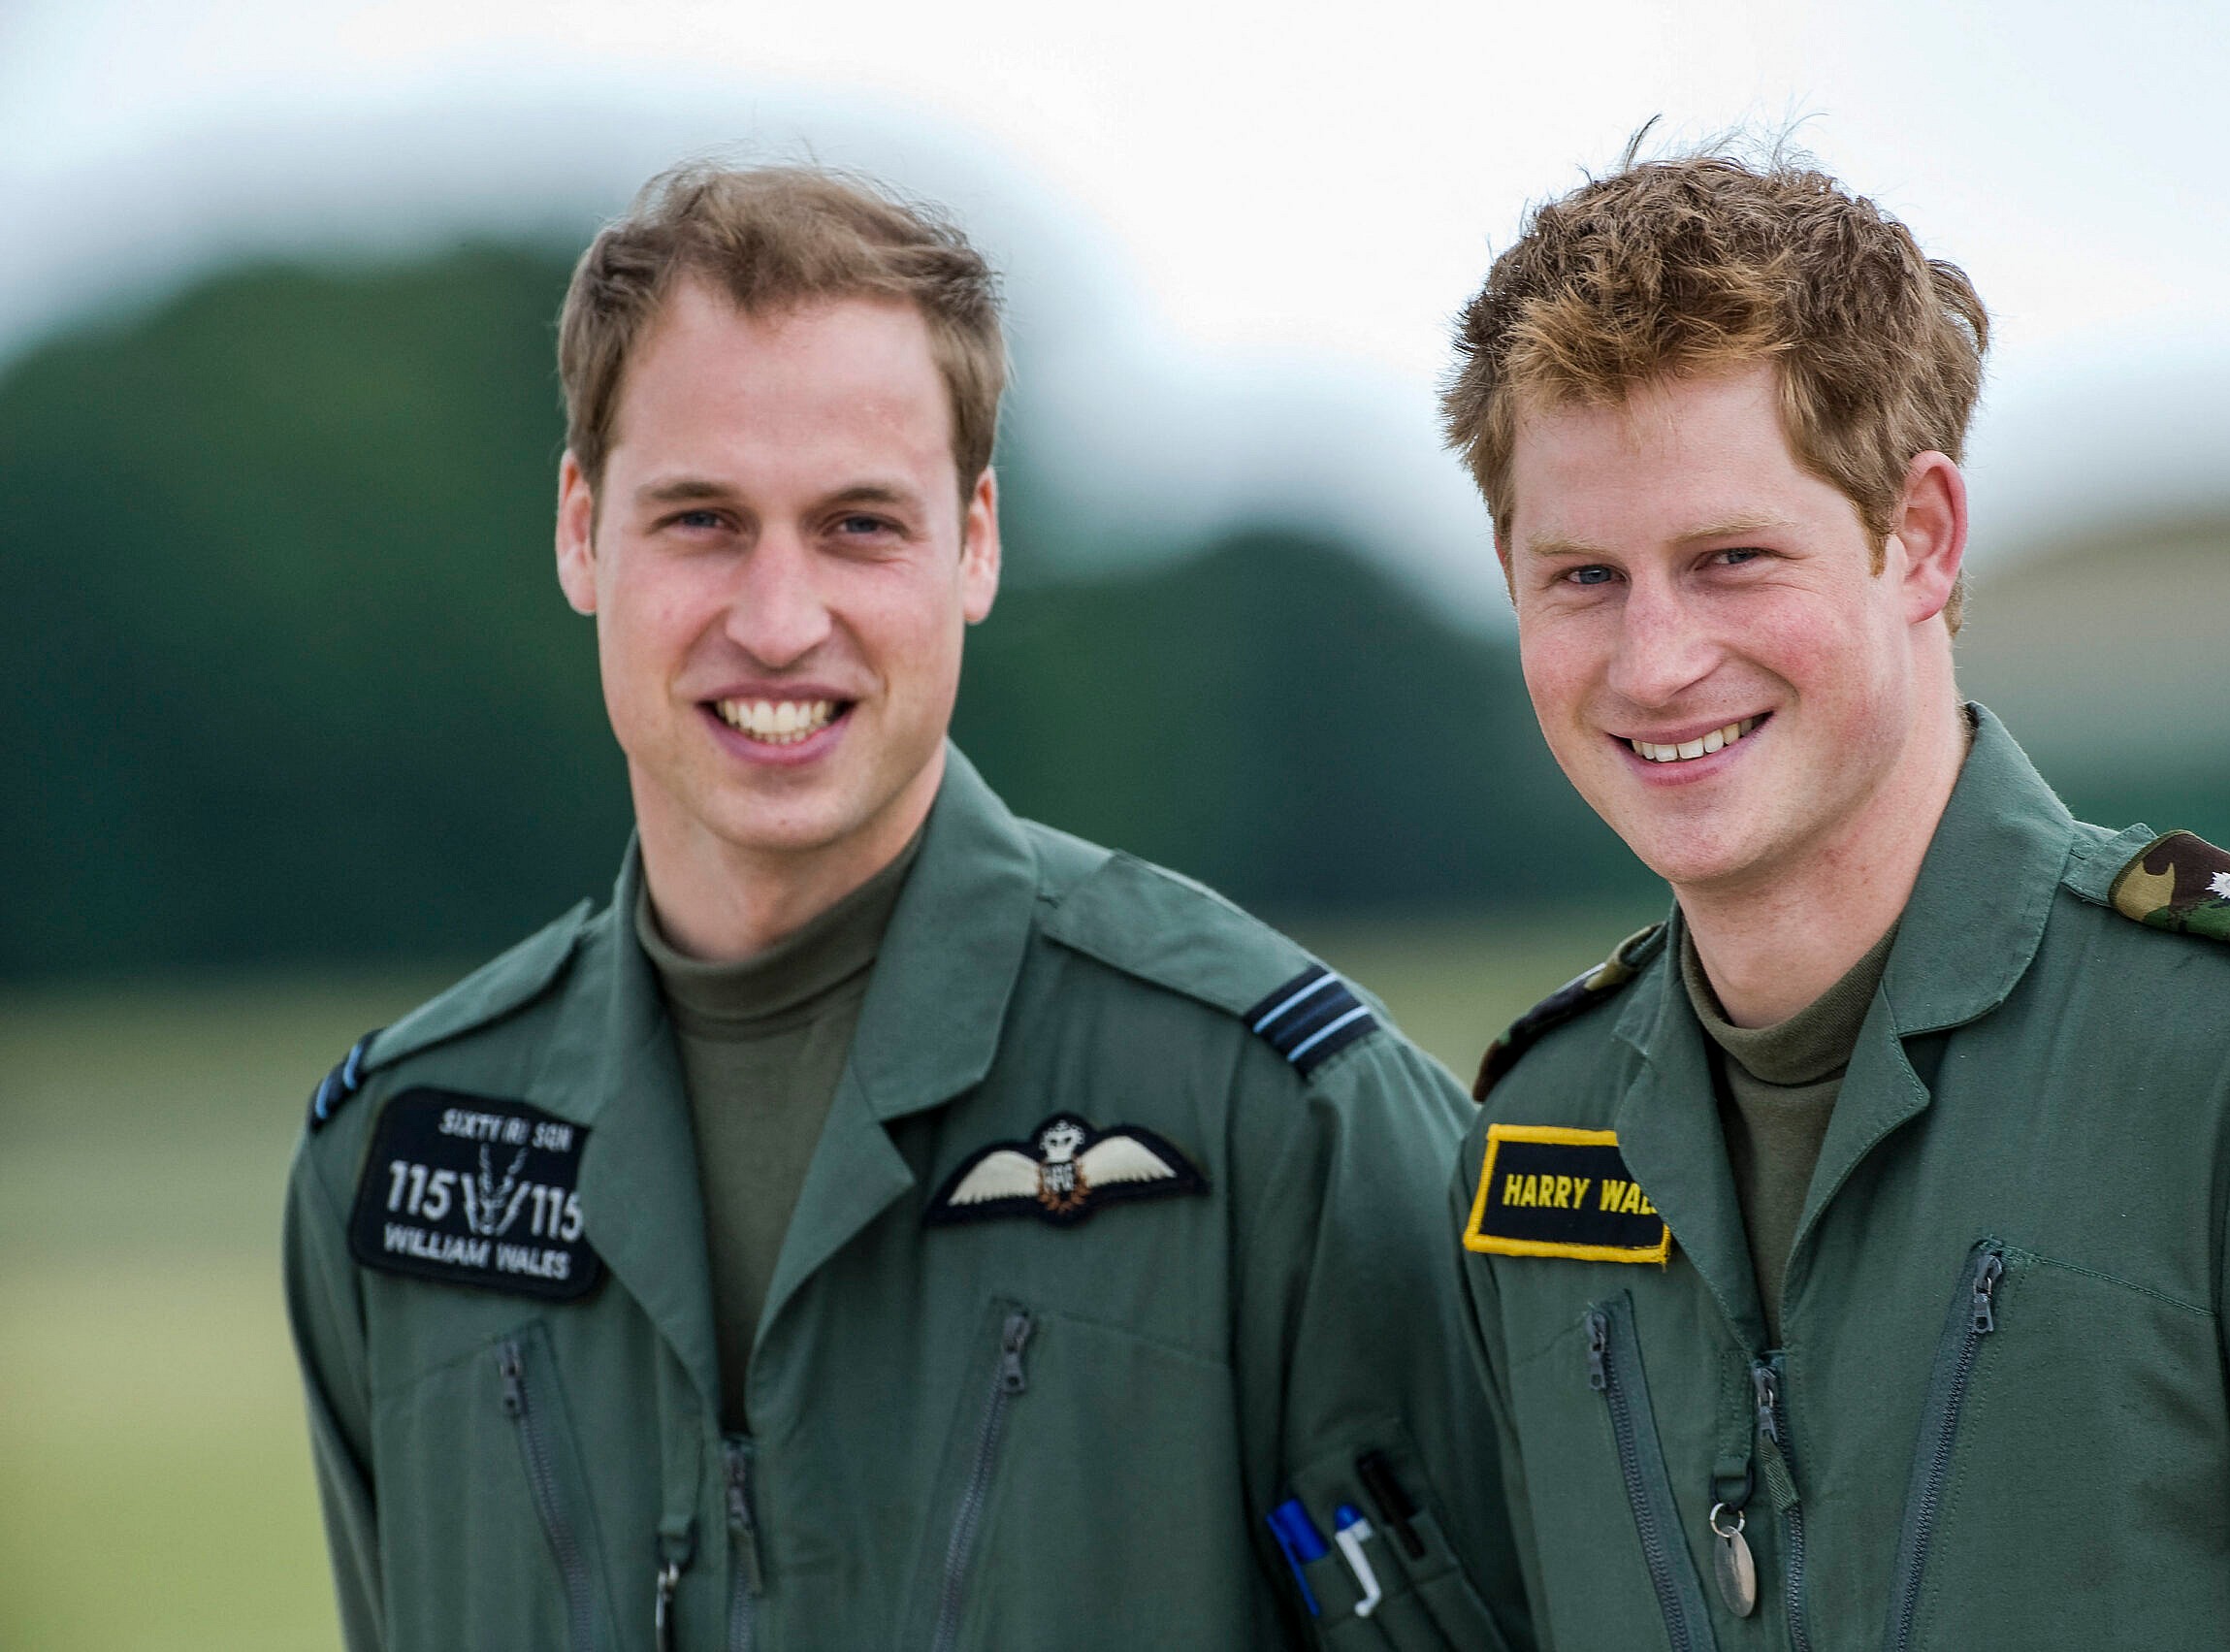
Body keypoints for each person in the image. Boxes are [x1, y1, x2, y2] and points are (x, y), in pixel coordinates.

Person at [281, 160, 1524, 1652]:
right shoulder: (394, 1164)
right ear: (578, 528)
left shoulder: (1280, 1117)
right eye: (702, 520)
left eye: (859, 525)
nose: (778, 621)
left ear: (977, 540)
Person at [1438, 146, 2230, 1651]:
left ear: (1920, 536)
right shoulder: (1535, 1135)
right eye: (1585, 577)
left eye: (1732, 558)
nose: (1655, 662)